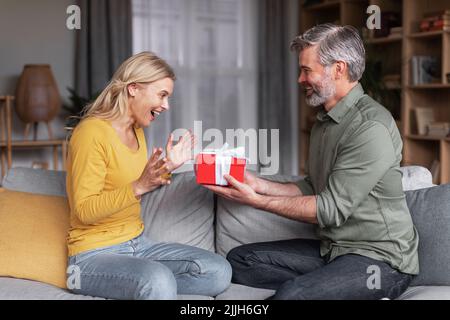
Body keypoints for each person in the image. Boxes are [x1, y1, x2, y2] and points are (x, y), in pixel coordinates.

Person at [205, 24, 419, 300]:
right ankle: (330, 284)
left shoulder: (369, 127)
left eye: (307, 70)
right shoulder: (324, 122)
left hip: (379, 261)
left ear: (338, 69)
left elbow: (329, 208)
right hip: (333, 250)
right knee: (241, 260)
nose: (300, 79)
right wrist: (256, 184)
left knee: (292, 295)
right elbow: (311, 186)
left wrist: (255, 201)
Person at [66, 51, 231, 300]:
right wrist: (138, 186)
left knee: (217, 271)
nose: (166, 105)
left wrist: (169, 167)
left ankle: (144, 284)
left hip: (138, 244)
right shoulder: (90, 133)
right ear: (133, 88)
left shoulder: (136, 131)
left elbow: (140, 183)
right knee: (157, 279)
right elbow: (84, 210)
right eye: (162, 95)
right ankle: (149, 284)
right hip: (92, 256)